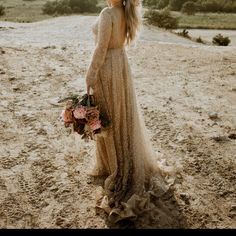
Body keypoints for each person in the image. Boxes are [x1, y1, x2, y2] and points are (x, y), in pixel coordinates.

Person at [85, 0, 174, 224]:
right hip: (122, 66)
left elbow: (101, 47)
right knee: (120, 116)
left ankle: (116, 166)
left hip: (107, 68)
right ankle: (122, 160)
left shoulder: (108, 13)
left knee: (108, 118)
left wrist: (90, 74)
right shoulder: (126, 12)